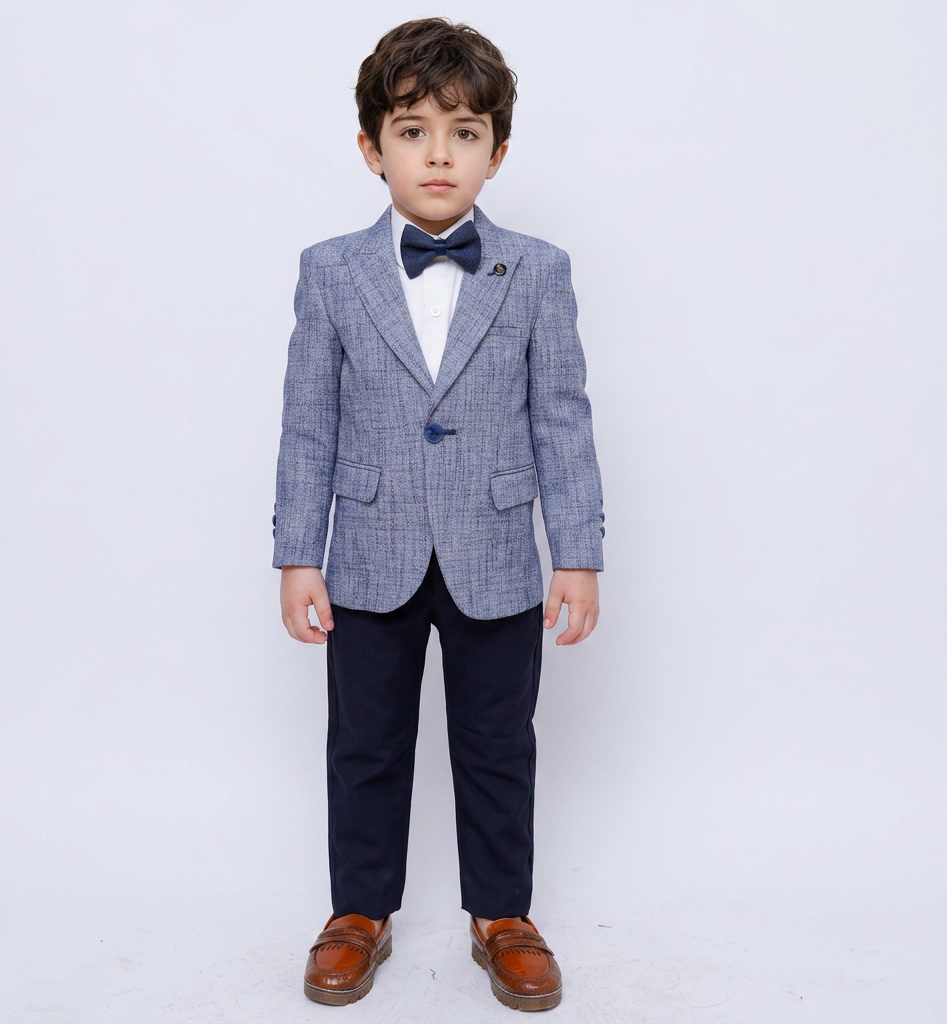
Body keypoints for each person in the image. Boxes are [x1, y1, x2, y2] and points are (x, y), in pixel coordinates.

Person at [272, 17, 604, 1012]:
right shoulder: (331, 270)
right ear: (371, 147)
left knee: (498, 743)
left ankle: (502, 916)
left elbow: (562, 417)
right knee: (363, 743)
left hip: (495, 551)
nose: (439, 154)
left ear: (496, 152)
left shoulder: (537, 270)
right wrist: (298, 553)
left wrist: (577, 553)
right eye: (413, 131)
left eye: (465, 133)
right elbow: (308, 422)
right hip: (367, 550)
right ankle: (357, 911)